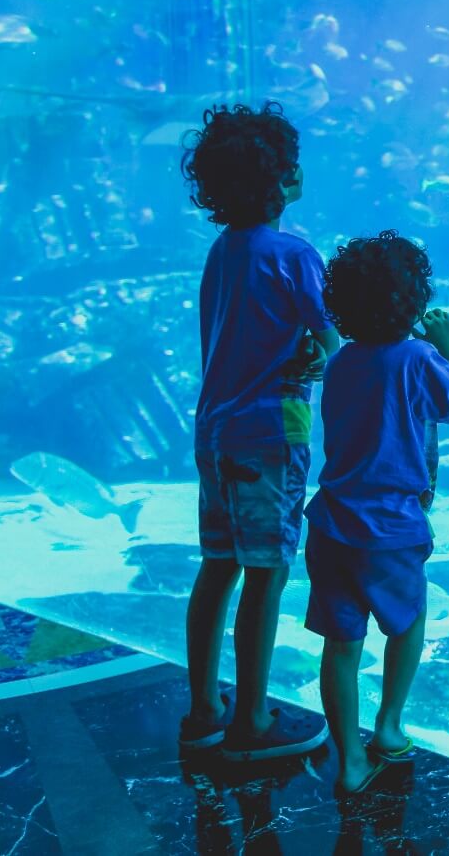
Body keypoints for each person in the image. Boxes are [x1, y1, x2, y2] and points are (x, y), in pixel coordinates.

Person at [178, 102, 339, 760]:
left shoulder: (223, 252)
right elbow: (334, 341)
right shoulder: (295, 254)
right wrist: (318, 354)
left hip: (215, 433)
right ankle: (252, 723)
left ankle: (203, 709)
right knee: (266, 574)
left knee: (217, 567)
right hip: (269, 434)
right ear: (280, 180)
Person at [302, 231, 449, 795]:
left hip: (332, 523)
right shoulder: (419, 358)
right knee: (406, 625)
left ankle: (350, 760)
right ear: (414, 301)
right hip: (392, 530)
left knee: (341, 645)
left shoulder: (341, 362)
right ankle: (388, 725)